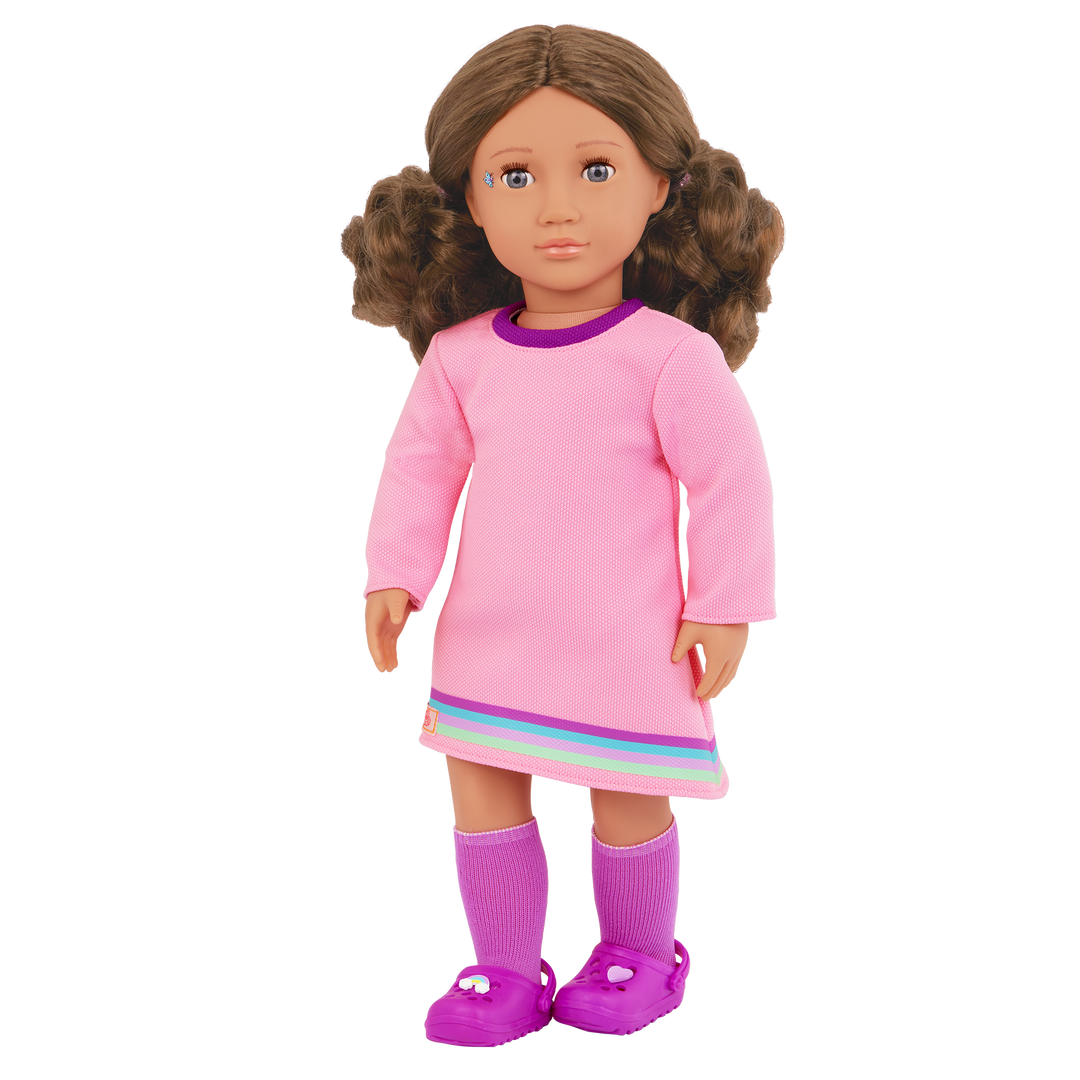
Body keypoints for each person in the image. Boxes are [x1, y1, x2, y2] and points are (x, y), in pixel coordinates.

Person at [342, 21, 786, 1049]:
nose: (556, 208)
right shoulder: (460, 359)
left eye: (595, 169)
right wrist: (393, 576)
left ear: (661, 185)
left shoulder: (669, 359)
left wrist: (725, 606)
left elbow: (731, 482)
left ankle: (637, 953)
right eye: (514, 175)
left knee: (627, 794)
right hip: (490, 631)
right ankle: (502, 965)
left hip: (628, 636)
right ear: (467, 198)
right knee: (482, 789)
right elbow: (418, 474)